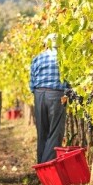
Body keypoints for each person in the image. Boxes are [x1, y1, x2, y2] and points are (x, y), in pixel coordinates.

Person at [29, 33, 68, 164]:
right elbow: (69, 82)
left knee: (42, 132)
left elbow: (32, 83)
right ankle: (47, 167)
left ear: (46, 44)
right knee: (55, 132)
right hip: (56, 95)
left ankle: (41, 167)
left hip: (39, 95)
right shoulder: (64, 59)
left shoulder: (37, 58)